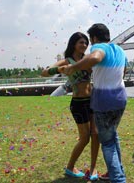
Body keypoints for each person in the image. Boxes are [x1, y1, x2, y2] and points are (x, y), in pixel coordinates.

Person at [62, 23, 127, 183]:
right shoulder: (119, 50)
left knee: (107, 143)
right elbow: (123, 71)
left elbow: (96, 57)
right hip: (120, 99)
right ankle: (116, 172)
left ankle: (118, 179)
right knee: (113, 136)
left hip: (104, 102)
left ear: (95, 38)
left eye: (90, 41)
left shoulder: (99, 48)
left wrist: (73, 67)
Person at [41, 32, 99, 181]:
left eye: (86, 43)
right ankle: (70, 167)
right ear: (73, 44)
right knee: (85, 138)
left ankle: (93, 168)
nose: (84, 45)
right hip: (78, 103)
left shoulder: (88, 59)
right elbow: (44, 72)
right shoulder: (67, 60)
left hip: (92, 101)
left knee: (96, 134)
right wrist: (58, 69)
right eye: (81, 42)